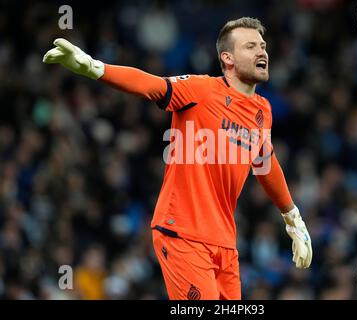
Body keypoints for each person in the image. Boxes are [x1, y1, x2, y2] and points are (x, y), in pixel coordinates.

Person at [43, 17, 312, 300]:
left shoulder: (262, 111)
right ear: (227, 58)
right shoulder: (201, 90)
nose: (262, 52)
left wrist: (293, 218)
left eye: (263, 46)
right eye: (250, 46)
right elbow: (153, 86)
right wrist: (94, 67)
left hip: (225, 244)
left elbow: (265, 163)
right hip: (183, 233)